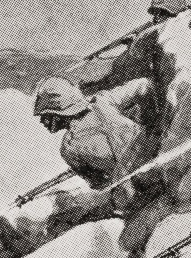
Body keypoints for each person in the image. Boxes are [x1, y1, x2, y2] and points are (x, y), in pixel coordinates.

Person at [31, 76, 164, 232]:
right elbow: (142, 85)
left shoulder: (69, 148)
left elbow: (100, 184)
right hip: (157, 164)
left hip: (138, 191)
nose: (42, 122)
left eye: (45, 115)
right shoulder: (102, 101)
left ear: (58, 112)